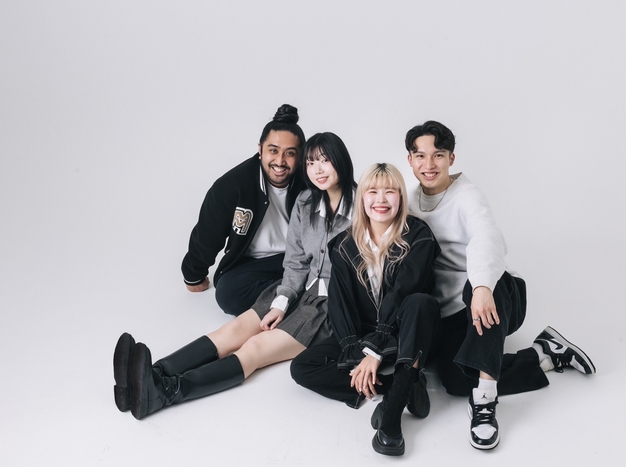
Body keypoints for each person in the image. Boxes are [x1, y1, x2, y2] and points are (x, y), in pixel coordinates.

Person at [113, 132, 356, 419]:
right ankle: (149, 376)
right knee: (234, 330)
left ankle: (166, 393)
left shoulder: (363, 208)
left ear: (340, 161)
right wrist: (282, 302)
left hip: (329, 309)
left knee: (254, 348)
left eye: (325, 161)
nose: (317, 170)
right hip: (299, 289)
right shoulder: (305, 201)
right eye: (311, 162)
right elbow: (296, 261)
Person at [405, 120, 596, 451]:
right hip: (454, 310)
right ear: (410, 160)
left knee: (479, 285)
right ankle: (545, 353)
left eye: (438, 155)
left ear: (451, 158)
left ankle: (485, 401)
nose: (429, 164)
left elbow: (486, 237)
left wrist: (481, 286)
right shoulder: (409, 200)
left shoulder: (467, 195)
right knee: (456, 380)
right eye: (420, 156)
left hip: (498, 294)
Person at [290, 163, 442, 457]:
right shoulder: (344, 244)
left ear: (401, 197)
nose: (381, 200)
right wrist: (354, 350)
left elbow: (405, 291)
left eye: (390, 191)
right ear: (362, 198)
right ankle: (403, 384)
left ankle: (391, 420)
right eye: (372, 191)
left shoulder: (419, 236)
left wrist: (374, 351)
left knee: (420, 302)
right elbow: (340, 303)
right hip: (366, 332)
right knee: (302, 367)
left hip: (410, 332)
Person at [181, 104, 306, 315]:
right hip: (252, 264)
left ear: (301, 156)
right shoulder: (232, 185)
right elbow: (208, 234)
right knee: (227, 294)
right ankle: (308, 299)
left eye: (290, 153)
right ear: (260, 150)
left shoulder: (311, 181)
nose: (280, 161)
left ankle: (296, 298)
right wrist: (194, 274)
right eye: (273, 150)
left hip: (299, 259)